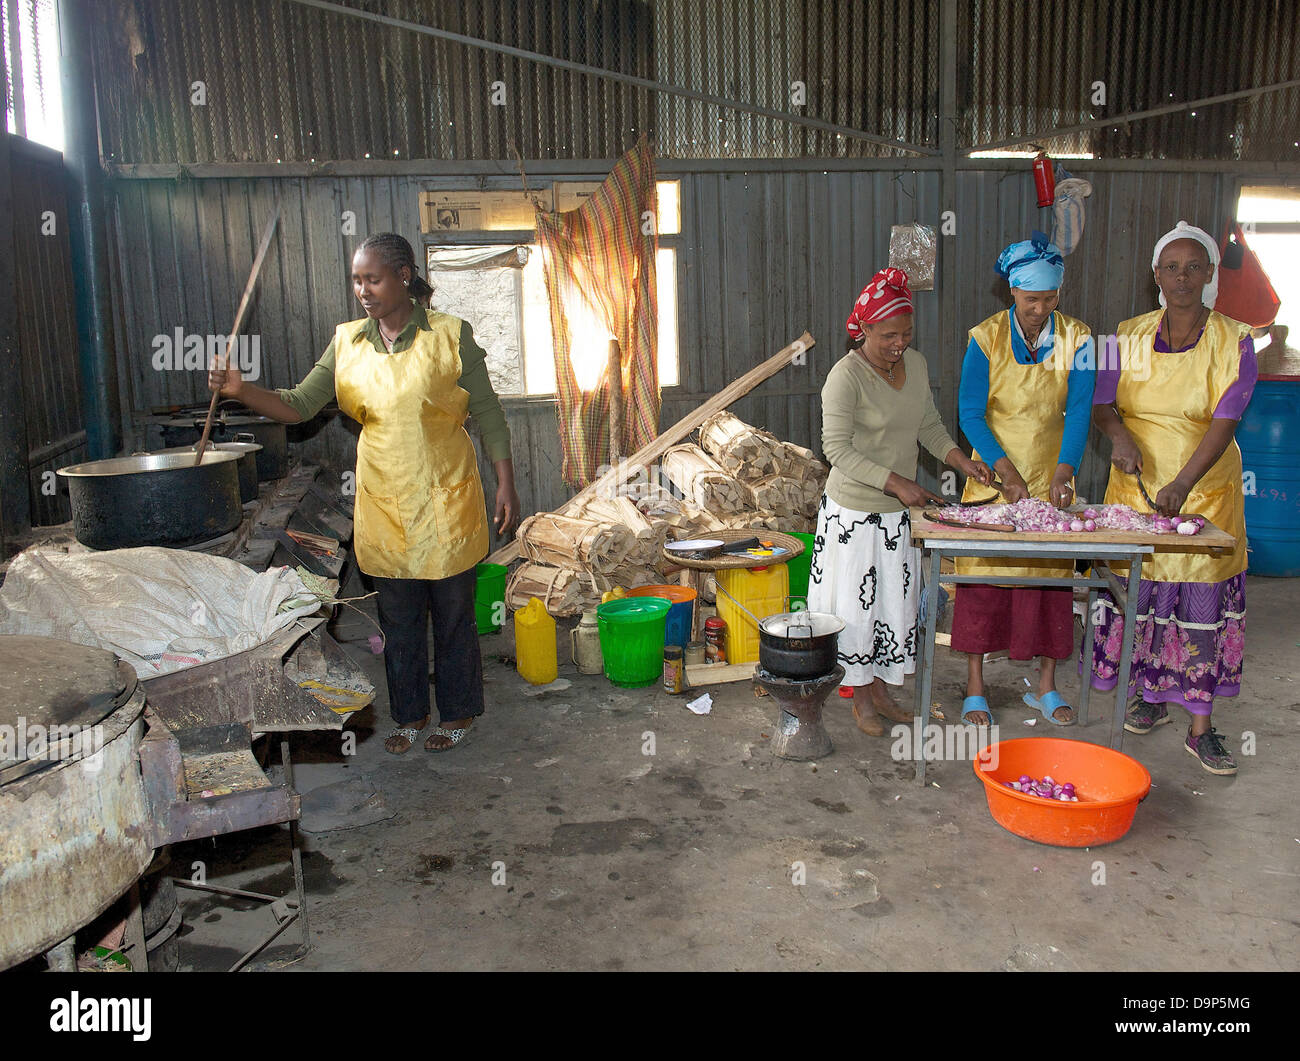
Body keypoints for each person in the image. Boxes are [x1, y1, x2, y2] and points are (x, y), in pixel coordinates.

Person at [209, 232, 520, 755]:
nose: (363, 290)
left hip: (445, 500)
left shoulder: (450, 336)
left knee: (451, 619)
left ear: (404, 276)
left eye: (373, 278)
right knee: (398, 621)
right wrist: (242, 391)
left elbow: (487, 409)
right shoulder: (348, 342)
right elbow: (300, 404)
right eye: (357, 280)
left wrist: (505, 479)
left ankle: (459, 710)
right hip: (384, 501)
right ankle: (409, 716)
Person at [1089, 220, 1255, 775]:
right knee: (1144, 595)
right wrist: (1118, 438)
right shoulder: (1124, 334)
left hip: (1204, 491)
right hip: (1136, 488)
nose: (1181, 278)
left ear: (1209, 274)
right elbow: (1103, 404)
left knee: (1198, 603)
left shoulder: (1237, 340)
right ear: (1155, 275)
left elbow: (1226, 418)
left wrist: (1183, 483)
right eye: (1170, 267)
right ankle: (1149, 697)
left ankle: (1201, 727)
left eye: (1192, 267)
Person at [810, 268, 991, 736]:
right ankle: (861, 700)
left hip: (896, 519)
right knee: (856, 611)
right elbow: (836, 449)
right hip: (853, 516)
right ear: (864, 328)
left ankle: (883, 691)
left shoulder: (917, 365)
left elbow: (927, 425)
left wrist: (961, 460)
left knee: (891, 607)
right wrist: (895, 482)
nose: (899, 343)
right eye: (889, 334)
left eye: (907, 333)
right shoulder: (844, 378)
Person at [951, 235, 1096, 727]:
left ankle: (1046, 686)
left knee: (1049, 585)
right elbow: (970, 413)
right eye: (1031, 299)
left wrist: (1065, 470)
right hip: (995, 474)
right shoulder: (985, 338)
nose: (1041, 309)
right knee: (982, 585)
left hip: (1051, 472)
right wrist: (1004, 471)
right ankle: (975, 686)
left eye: (1050, 299)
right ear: (1011, 292)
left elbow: (1078, 411)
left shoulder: (1078, 338)